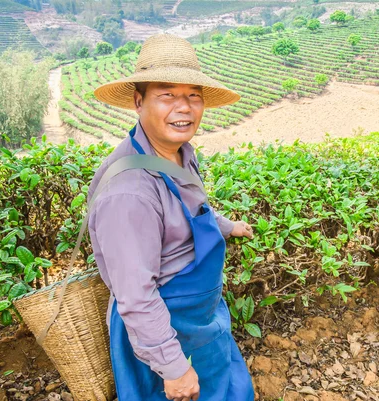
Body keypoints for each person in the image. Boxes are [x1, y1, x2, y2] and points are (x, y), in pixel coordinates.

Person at [87, 34, 255, 401]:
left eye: (193, 95)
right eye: (167, 95)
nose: (184, 107)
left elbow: (190, 211)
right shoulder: (129, 193)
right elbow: (137, 296)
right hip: (166, 328)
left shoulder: (178, 153)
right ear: (138, 101)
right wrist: (174, 368)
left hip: (200, 318)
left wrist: (227, 227)